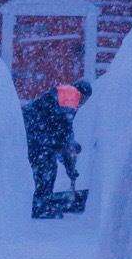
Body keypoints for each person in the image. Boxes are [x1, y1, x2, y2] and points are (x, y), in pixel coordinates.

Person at [22, 79, 92, 217]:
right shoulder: (71, 95)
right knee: (47, 168)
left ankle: (41, 204)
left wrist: (69, 161)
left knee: (45, 167)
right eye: (85, 99)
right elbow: (63, 131)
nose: (83, 103)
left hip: (34, 133)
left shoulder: (63, 95)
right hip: (35, 134)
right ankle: (41, 208)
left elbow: (62, 131)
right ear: (83, 94)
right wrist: (69, 160)